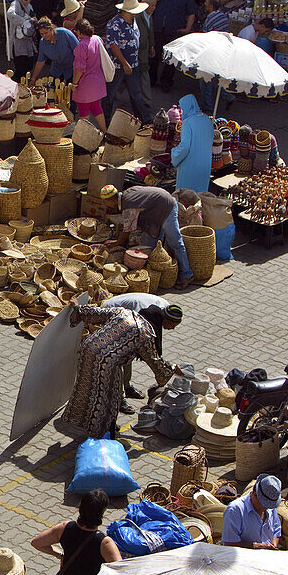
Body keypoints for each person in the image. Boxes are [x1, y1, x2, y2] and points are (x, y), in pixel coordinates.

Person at [64, 302, 176, 437]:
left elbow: (95, 313)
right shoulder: (145, 332)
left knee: (86, 387)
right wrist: (172, 369)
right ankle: (104, 430)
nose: (173, 330)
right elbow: (155, 363)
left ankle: (79, 420)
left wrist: (79, 308)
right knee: (110, 397)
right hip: (107, 362)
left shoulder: (125, 312)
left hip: (88, 349)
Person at [102, 294, 182, 411]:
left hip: (130, 315)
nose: (172, 329)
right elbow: (149, 352)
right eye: (172, 325)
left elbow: (153, 346)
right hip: (112, 312)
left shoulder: (164, 310)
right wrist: (168, 369)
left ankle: (127, 386)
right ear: (166, 319)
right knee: (121, 359)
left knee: (128, 357)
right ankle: (119, 398)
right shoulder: (146, 316)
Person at [104, 184, 194, 286]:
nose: (105, 204)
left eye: (105, 201)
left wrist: (117, 243)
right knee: (150, 244)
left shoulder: (128, 204)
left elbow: (127, 230)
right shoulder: (127, 193)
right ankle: (157, 273)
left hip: (167, 207)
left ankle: (186, 275)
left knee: (176, 243)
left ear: (111, 200)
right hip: (155, 211)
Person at [103, 0, 150, 123]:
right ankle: (105, 123)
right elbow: (113, 45)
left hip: (133, 64)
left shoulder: (133, 21)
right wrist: (124, 63)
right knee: (110, 95)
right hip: (118, 66)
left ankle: (144, 121)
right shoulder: (114, 24)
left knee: (136, 94)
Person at [150, 0, 196, 93]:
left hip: (174, 30)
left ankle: (166, 82)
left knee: (171, 59)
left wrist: (187, 29)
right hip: (159, 28)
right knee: (154, 55)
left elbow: (191, 13)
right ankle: (151, 79)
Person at [221, 473, 281, 549]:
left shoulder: (270, 507)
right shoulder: (235, 510)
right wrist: (258, 546)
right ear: (255, 495)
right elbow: (229, 543)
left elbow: (277, 530)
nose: (267, 508)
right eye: (265, 504)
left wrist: (274, 544)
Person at [170, 93, 212, 197]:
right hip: (205, 165)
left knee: (186, 198)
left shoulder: (187, 123)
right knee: (200, 196)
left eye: (182, 109)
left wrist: (174, 154)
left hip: (190, 166)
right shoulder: (207, 119)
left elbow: (185, 146)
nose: (182, 112)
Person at [72, 20, 107, 133]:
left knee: (83, 109)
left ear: (78, 31)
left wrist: (75, 83)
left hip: (85, 84)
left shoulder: (82, 45)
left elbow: (80, 68)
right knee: (96, 106)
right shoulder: (97, 39)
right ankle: (105, 131)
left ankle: (83, 136)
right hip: (98, 81)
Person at [199, 0, 234, 111]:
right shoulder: (223, 16)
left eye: (207, 3)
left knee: (206, 78)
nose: (205, 4)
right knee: (217, 77)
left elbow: (205, 38)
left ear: (211, 6)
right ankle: (228, 96)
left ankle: (208, 106)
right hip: (222, 51)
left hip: (212, 52)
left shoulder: (209, 20)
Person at [33, 17, 79, 82]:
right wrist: (33, 78)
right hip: (56, 70)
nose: (44, 36)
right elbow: (40, 61)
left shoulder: (65, 33)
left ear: (51, 29)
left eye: (46, 33)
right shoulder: (43, 42)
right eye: (42, 34)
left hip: (71, 70)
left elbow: (79, 52)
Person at [7, 0, 38, 78]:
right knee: (20, 67)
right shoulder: (15, 4)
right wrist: (23, 21)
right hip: (18, 41)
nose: (28, 1)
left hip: (28, 40)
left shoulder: (29, 6)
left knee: (29, 66)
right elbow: (10, 14)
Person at [137, 0, 156, 109]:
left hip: (145, 50)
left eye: (155, 5)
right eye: (152, 6)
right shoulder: (138, 16)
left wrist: (152, 46)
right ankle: (147, 100)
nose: (154, 8)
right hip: (139, 51)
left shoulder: (150, 16)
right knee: (143, 75)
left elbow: (150, 32)